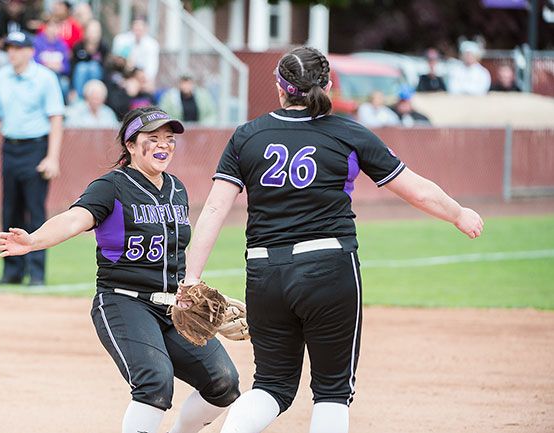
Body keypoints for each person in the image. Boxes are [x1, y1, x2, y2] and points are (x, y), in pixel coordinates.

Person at [178, 46, 484, 433]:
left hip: (264, 273)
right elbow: (417, 191)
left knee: (270, 386)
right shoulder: (348, 133)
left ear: (279, 87)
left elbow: (215, 211)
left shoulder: (247, 136)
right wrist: (459, 213)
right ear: (327, 86)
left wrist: (191, 279)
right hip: (329, 269)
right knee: (332, 392)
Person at [0, 106, 241, 433]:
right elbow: (74, 218)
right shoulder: (112, 186)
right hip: (123, 302)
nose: (163, 145)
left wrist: (190, 291)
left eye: (169, 139)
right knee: (155, 381)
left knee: (224, 383)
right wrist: (33, 241)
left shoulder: (176, 189)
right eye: (153, 139)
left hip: (172, 308)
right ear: (131, 145)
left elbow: (175, 253)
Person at [0, 31, 65, 286]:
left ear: (29, 51)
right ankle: (12, 270)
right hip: (10, 147)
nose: (11, 53)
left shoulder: (45, 78)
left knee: (35, 211)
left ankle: (36, 272)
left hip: (36, 147)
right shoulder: (0, 77)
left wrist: (52, 156)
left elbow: (56, 118)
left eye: (17, 48)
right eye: (9, 48)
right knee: (10, 210)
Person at [111, 16, 159, 83]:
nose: (138, 29)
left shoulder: (152, 44)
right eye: (136, 26)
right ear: (131, 26)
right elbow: (116, 63)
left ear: (146, 28)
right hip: (122, 74)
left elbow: (151, 69)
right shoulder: (121, 40)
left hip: (141, 79)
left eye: (141, 27)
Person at [70, 19, 108, 100]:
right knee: (82, 67)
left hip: (97, 79)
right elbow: (72, 66)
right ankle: (79, 98)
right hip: (79, 78)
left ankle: (95, 97)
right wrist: (72, 89)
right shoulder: (78, 46)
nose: (93, 34)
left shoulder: (103, 47)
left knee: (93, 67)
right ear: (86, 32)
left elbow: (105, 68)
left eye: (96, 31)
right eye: (91, 31)